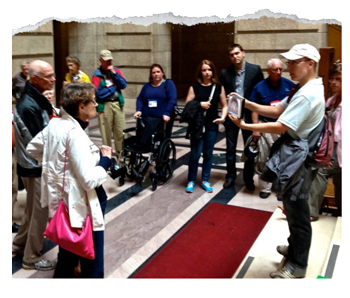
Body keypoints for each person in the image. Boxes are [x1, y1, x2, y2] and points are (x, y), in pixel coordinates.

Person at [229, 44, 324, 279]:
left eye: (294, 62)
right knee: (291, 209)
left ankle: (298, 264)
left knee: (298, 212)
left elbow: (281, 125)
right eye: (288, 62)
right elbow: (278, 109)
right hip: (295, 155)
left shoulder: (308, 93)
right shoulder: (301, 88)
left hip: (301, 160)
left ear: (310, 64)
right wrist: (245, 103)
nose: (289, 67)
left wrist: (246, 126)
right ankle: (295, 249)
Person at [27, 82, 112, 278]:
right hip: (83, 205)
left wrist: (57, 164)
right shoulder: (75, 134)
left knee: (67, 255)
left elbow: (33, 148)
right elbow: (89, 180)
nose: (96, 104)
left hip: (64, 204)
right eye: (93, 100)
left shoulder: (55, 124)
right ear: (81, 106)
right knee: (92, 262)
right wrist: (106, 160)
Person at [12, 60, 57, 270]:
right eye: (49, 76)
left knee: (31, 210)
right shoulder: (28, 104)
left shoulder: (34, 98)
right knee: (40, 212)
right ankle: (31, 258)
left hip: (31, 166)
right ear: (35, 79)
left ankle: (19, 244)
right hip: (34, 167)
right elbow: (40, 142)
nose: (54, 79)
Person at [220, 43, 264, 190]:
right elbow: (221, 93)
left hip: (249, 114)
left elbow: (260, 91)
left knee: (249, 147)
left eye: (237, 53)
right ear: (229, 57)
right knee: (230, 147)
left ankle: (248, 178)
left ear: (243, 53)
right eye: (232, 55)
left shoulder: (255, 70)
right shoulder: (225, 73)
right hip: (232, 113)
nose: (235, 57)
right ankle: (230, 176)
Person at [249, 58, 295, 199]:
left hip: (284, 126)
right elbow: (254, 109)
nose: (279, 72)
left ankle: (282, 187)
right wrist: (256, 128)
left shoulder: (289, 85)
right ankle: (265, 188)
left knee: (285, 158)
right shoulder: (259, 87)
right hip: (266, 126)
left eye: (281, 69)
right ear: (268, 70)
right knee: (264, 158)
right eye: (276, 69)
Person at [184, 59, 228, 193]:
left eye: (209, 70)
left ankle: (205, 180)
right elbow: (187, 105)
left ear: (213, 71)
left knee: (208, 154)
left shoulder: (219, 87)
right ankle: (191, 180)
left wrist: (223, 117)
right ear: (200, 72)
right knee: (195, 153)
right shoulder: (194, 87)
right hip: (197, 125)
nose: (207, 72)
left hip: (211, 124)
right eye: (204, 70)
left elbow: (224, 105)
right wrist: (199, 104)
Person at [308, 61, 342, 220]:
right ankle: (340, 212)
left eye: (339, 79)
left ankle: (311, 212)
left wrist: (331, 156)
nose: (334, 82)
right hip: (333, 148)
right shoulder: (332, 100)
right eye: (333, 78)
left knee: (321, 171)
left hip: (341, 149)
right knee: (339, 180)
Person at [92, 49, 127, 159]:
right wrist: (114, 86)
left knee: (121, 132)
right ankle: (107, 159)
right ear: (100, 60)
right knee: (106, 134)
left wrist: (114, 75)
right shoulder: (96, 75)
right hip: (105, 106)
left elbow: (123, 84)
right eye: (106, 61)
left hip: (117, 104)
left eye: (110, 60)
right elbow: (99, 94)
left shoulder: (116, 70)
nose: (109, 63)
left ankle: (122, 158)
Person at [134, 63, 177, 139]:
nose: (156, 74)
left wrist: (167, 112)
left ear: (162, 73)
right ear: (151, 75)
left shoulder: (168, 84)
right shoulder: (147, 86)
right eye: (153, 72)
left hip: (162, 119)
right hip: (148, 119)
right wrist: (139, 110)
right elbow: (140, 98)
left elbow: (172, 99)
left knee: (161, 140)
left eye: (158, 72)